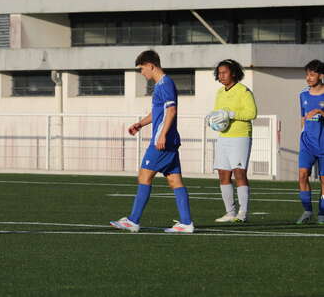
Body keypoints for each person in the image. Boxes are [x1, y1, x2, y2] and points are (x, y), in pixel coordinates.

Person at [110, 50, 194, 233]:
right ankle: (186, 223)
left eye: (142, 69)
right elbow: (159, 112)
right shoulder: (162, 85)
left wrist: (162, 135)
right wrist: (140, 124)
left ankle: (133, 220)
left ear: (151, 65)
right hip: (169, 141)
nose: (142, 73)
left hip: (161, 142)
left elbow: (171, 111)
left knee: (144, 176)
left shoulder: (165, 84)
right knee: (175, 181)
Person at [212, 59, 257, 223]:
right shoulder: (219, 92)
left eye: (224, 72)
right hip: (224, 137)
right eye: (219, 72)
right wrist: (213, 120)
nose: (221, 75)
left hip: (240, 137)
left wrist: (232, 114)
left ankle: (243, 213)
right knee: (223, 173)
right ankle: (230, 212)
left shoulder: (243, 91)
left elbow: (252, 113)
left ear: (233, 73)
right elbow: (218, 113)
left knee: (239, 173)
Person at [296, 59, 324, 225]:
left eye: (312, 74)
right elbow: (302, 118)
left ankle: (322, 213)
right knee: (302, 175)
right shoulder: (303, 95)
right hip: (307, 144)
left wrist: (321, 111)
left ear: (321, 75)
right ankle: (307, 211)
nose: (308, 78)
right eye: (307, 74)